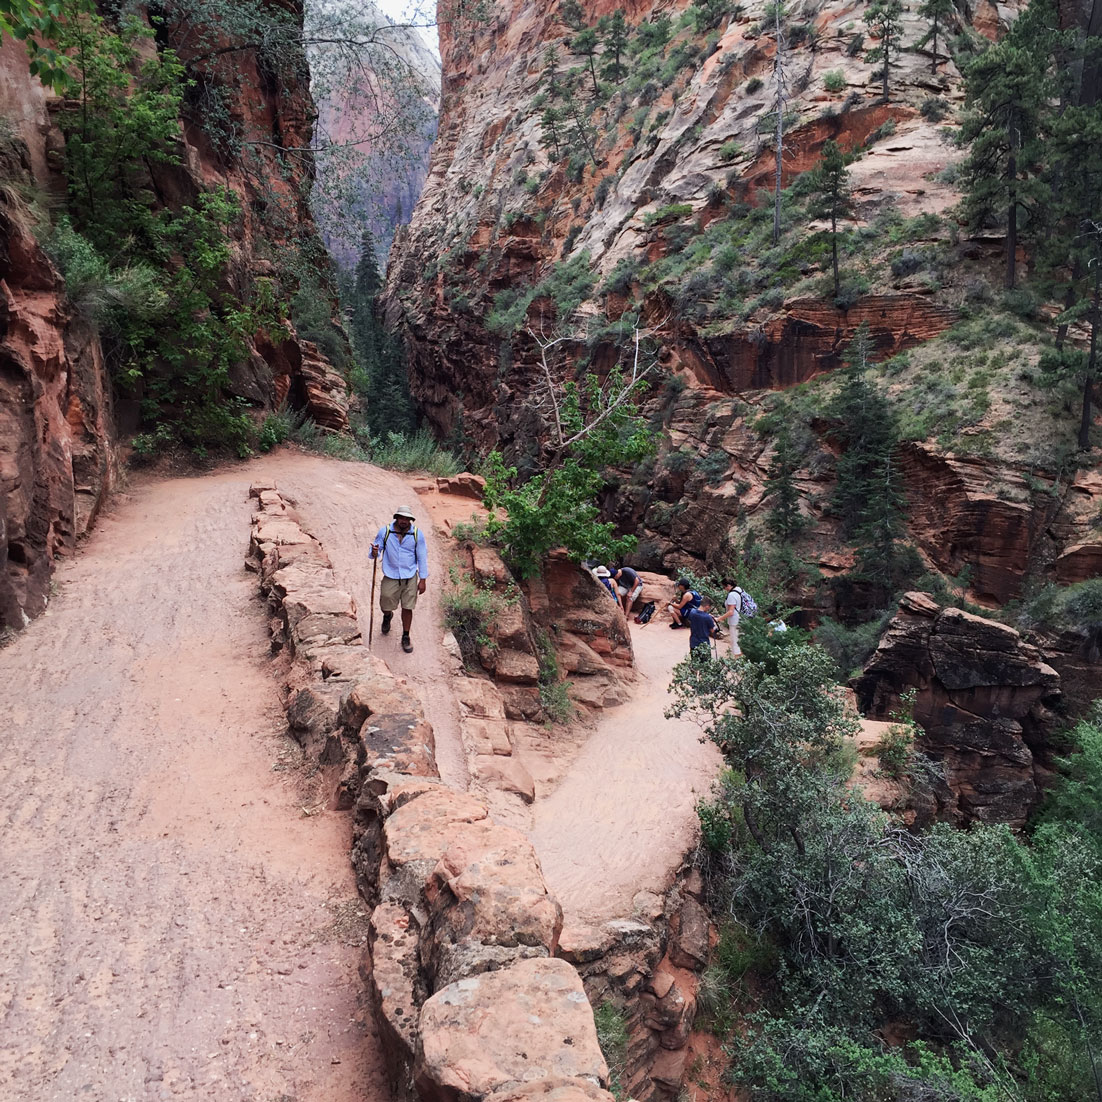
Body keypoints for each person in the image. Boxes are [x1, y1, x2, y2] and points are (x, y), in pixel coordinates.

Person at [370, 505, 428, 653]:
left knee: (408, 607)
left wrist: (423, 579)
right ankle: (387, 615)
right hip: (391, 575)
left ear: (410, 520)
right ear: (396, 518)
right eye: (401, 518)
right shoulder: (385, 531)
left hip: (410, 576)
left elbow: (422, 557)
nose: (404, 521)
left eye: (407, 518)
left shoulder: (417, 534)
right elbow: (375, 550)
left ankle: (406, 636)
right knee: (385, 602)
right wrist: (375, 552)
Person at [717, 579, 744, 658]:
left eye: (724, 587)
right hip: (742, 619)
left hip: (734, 620)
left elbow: (731, 612)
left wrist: (720, 618)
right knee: (740, 638)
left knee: (735, 640)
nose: (724, 589)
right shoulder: (740, 590)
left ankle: (736, 657)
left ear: (728, 585)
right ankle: (741, 656)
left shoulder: (732, 595)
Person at [684, 596, 717, 661]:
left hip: (693, 642)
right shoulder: (707, 617)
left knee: (695, 662)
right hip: (704, 643)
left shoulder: (692, 612)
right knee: (705, 663)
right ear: (707, 606)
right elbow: (712, 630)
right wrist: (713, 622)